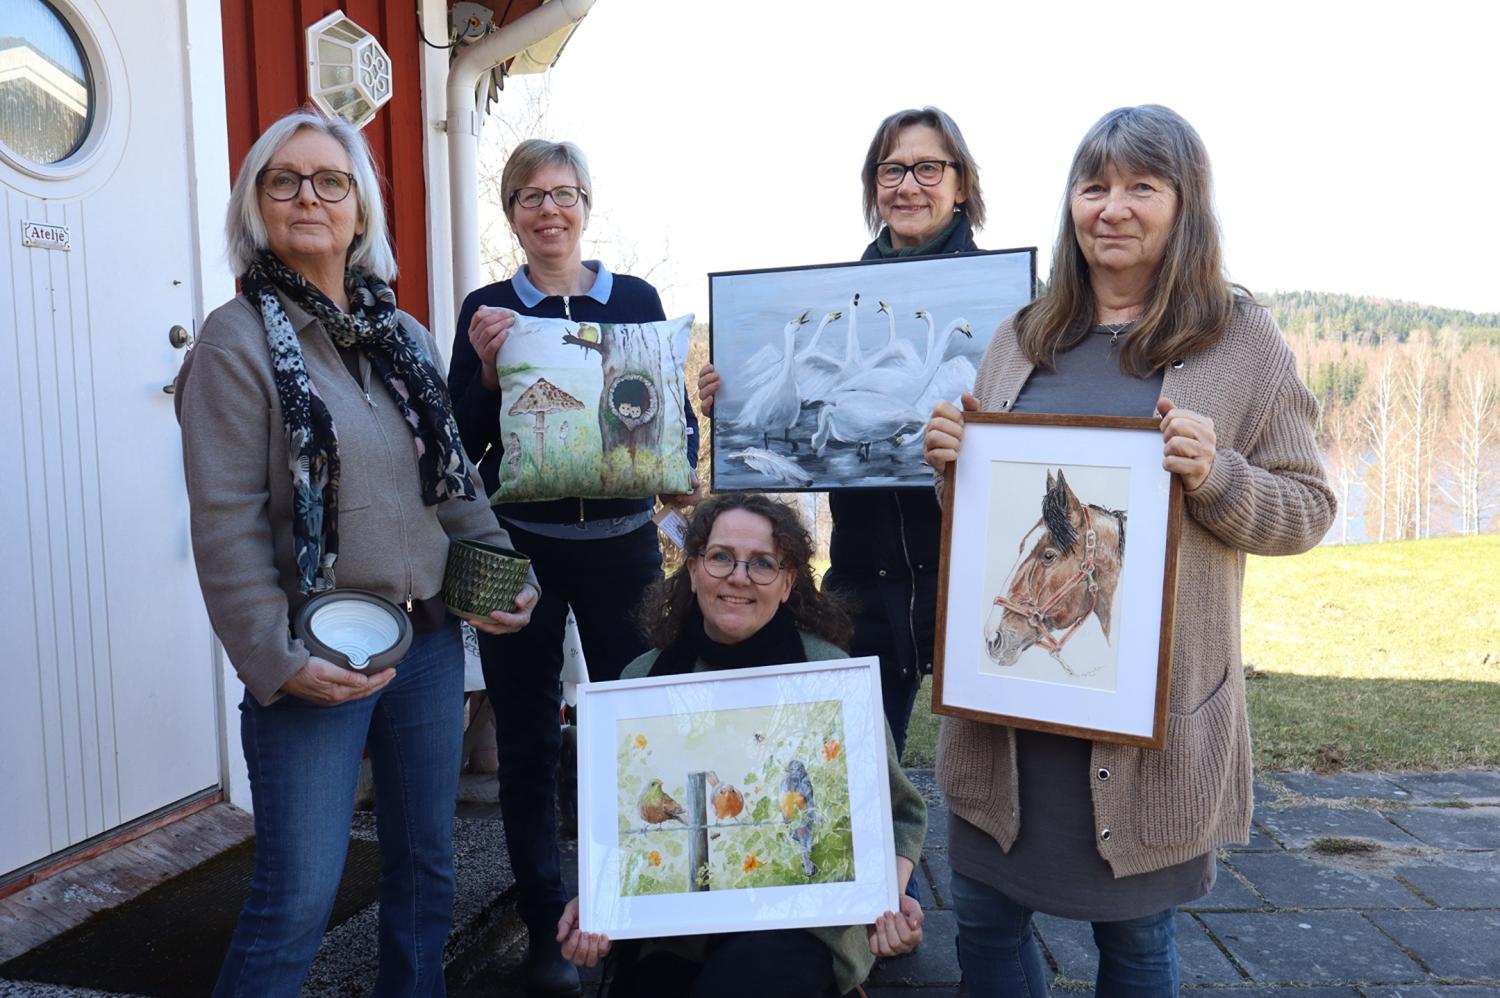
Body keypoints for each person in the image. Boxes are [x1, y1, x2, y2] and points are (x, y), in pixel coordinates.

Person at [923, 104, 1335, 996]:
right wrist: (951, 470)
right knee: (987, 927)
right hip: (1006, 726)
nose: (1111, 207)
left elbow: (1307, 509)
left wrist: (1217, 474)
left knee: (1138, 948)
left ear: (1186, 206)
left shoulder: (1239, 341)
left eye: (1141, 187)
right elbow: (999, 525)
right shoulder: (1021, 337)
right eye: (1093, 185)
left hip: (1147, 745)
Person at [175, 109, 538, 996]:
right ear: (256, 206)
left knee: (428, 873)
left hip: (423, 646)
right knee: (296, 899)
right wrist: (274, 658)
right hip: (316, 652)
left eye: (330, 180)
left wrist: (502, 571)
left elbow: (451, 485)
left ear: (360, 208)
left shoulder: (404, 337)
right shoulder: (236, 341)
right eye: (284, 180)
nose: (309, 196)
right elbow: (223, 524)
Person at [447, 138, 700, 995]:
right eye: (528, 195)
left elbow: (668, 428)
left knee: (636, 727)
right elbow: (461, 443)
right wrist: (486, 368)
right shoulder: (488, 306)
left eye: (563, 193)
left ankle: (635, 908)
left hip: (625, 546)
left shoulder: (636, 300)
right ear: (511, 211)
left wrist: (696, 421)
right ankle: (544, 926)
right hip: (517, 549)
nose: (547, 210)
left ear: (586, 204)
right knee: (523, 740)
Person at [697, 107, 987, 760]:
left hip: (970, 569)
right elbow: (804, 422)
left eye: (927, 168)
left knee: (991, 769)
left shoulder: (1010, 303)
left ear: (961, 184)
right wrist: (733, 404)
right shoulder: (837, 291)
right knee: (852, 764)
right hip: (865, 567)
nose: (907, 185)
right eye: (891, 170)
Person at [554, 493, 927, 998]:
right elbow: (618, 830)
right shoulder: (640, 683)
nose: (739, 576)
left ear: (789, 581)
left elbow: (902, 813)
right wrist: (595, 900)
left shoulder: (828, 678)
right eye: (722, 556)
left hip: (801, 924)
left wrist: (889, 894)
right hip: (674, 927)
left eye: (763, 563)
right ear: (693, 569)